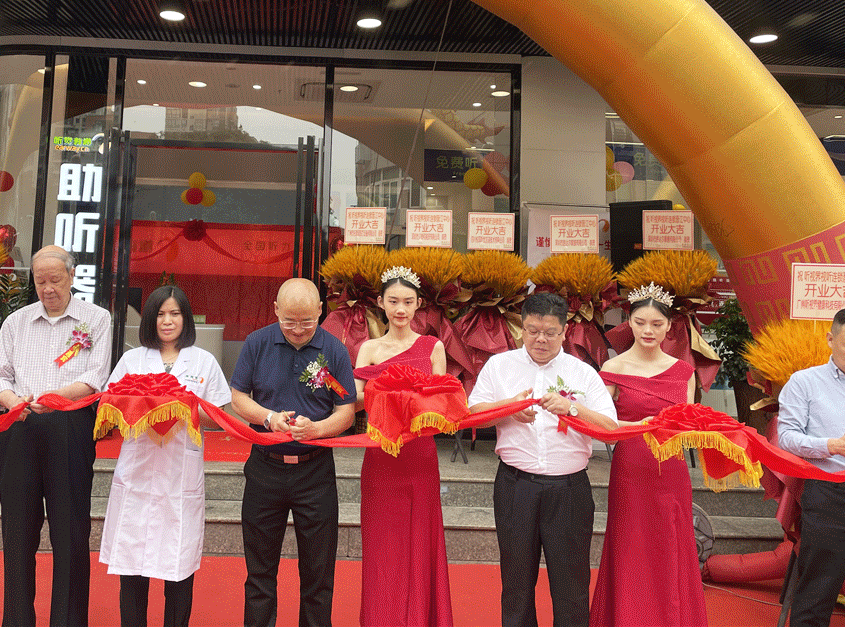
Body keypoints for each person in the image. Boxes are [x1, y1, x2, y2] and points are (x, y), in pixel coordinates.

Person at [467, 291, 617, 627]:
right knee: (516, 583)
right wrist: (509, 408)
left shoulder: (582, 373)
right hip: (516, 486)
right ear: (521, 328)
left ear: (565, 332)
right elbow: (473, 413)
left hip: (569, 491)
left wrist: (572, 408)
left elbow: (610, 428)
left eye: (550, 332)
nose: (541, 340)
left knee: (571, 585)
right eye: (533, 331)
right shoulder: (500, 366)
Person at [0, 245, 111, 627]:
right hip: (20, 426)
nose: (48, 288)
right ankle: (17, 619)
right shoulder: (17, 321)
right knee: (17, 532)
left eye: (55, 280)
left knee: (70, 530)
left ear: (72, 276)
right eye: (40, 281)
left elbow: (95, 376)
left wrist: (54, 398)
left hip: (69, 427)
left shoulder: (96, 318)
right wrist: (13, 401)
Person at [100, 285, 232, 627]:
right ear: (150, 319)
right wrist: (142, 407)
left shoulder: (203, 361)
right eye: (160, 314)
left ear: (186, 319)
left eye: (175, 313)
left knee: (178, 565)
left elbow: (218, 414)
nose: (167, 321)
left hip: (179, 474)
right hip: (138, 472)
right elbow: (110, 406)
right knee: (132, 565)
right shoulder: (132, 360)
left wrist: (181, 408)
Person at [230, 277, 356, 627]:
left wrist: (317, 429)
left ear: (321, 311)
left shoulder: (334, 350)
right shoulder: (257, 343)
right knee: (259, 572)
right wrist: (269, 418)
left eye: (307, 321)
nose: (298, 330)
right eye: (289, 321)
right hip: (265, 469)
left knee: (318, 574)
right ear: (275, 310)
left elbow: (346, 411)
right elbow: (238, 397)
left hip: (315, 472)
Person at [589, 284, 706, 627]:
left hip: (671, 470)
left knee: (671, 544)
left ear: (669, 326)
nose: (648, 331)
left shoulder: (684, 371)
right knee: (630, 544)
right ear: (629, 323)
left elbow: (688, 424)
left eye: (656, 324)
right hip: (631, 468)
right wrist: (640, 425)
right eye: (640, 323)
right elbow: (600, 423)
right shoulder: (613, 368)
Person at [353, 266, 453, 627]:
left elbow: (443, 402)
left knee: (421, 541)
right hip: (381, 453)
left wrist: (412, 398)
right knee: (382, 544)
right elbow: (356, 402)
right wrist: (388, 391)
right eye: (393, 301)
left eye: (408, 302)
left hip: (419, 453)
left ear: (418, 304)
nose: (400, 309)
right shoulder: (369, 348)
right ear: (380, 303)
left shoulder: (432, 346)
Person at [776, 306, 845, 627]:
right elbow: (787, 437)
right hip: (830, 490)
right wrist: (832, 445)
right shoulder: (805, 382)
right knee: (820, 586)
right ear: (830, 339)